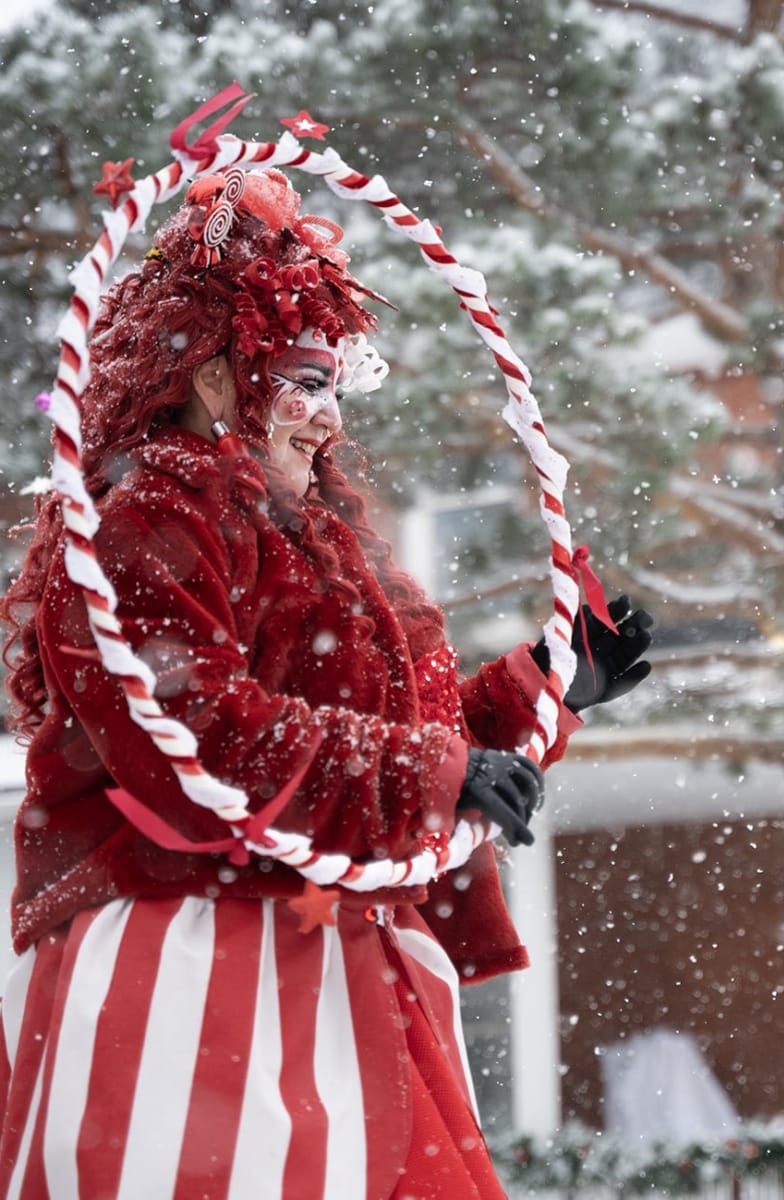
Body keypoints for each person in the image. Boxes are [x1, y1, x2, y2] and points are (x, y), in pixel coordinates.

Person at [0, 166, 652, 1198]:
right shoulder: (142, 523)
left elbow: (408, 733)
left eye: (336, 385)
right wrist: (430, 772)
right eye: (303, 381)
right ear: (213, 374)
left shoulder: (325, 544)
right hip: (193, 971)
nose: (327, 420)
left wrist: (544, 690)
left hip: (344, 968)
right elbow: (191, 737)